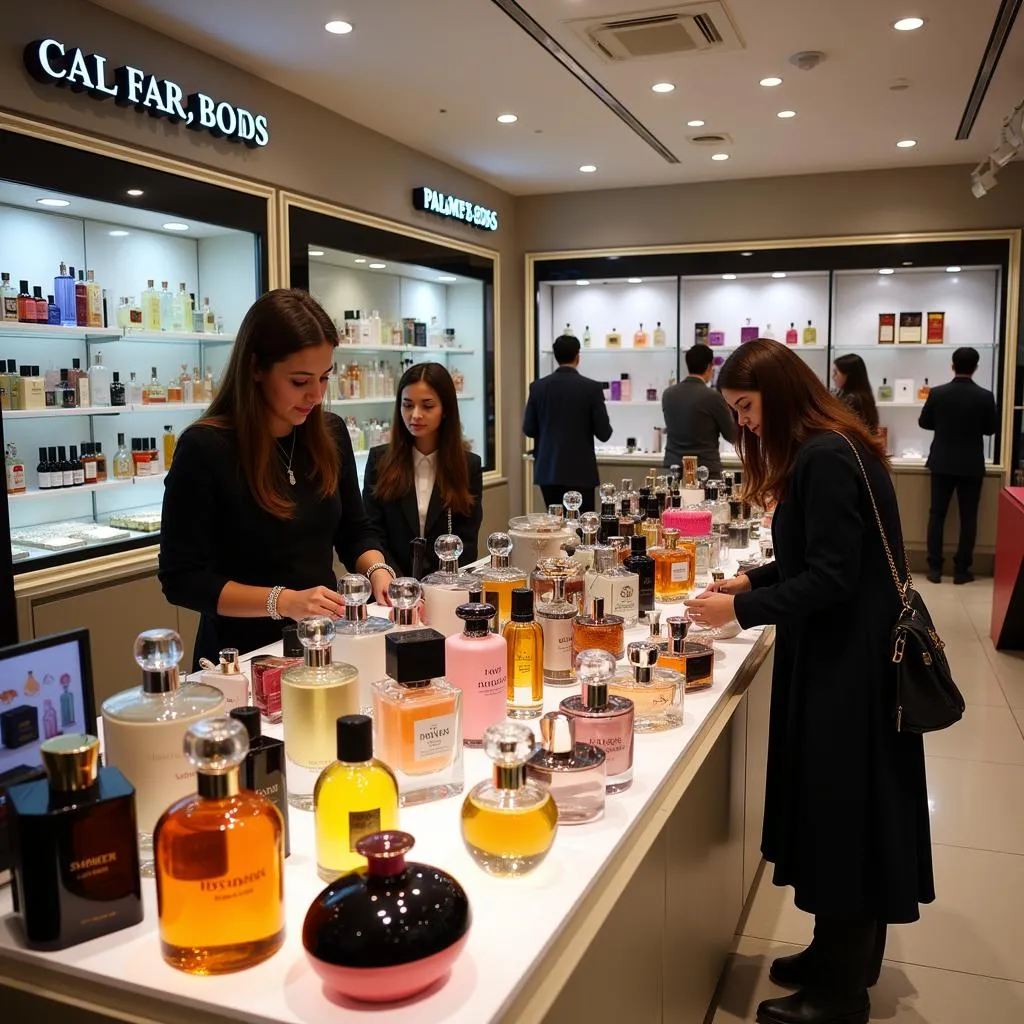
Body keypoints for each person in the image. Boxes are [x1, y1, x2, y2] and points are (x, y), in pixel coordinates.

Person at [684, 339, 933, 1024]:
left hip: (847, 668)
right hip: (846, 656)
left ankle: (840, 991)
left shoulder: (823, 458)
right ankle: (833, 954)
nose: (744, 424)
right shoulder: (836, 443)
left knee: (842, 816)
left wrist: (738, 609)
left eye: (746, 407)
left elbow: (831, 577)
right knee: (838, 811)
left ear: (778, 391)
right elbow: (819, 556)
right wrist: (755, 577)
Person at [159, 289, 393, 668]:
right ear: (255, 368)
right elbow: (182, 580)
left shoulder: (330, 434)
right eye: (300, 382)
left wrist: (378, 571)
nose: (315, 395)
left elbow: (354, 531)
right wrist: (283, 601)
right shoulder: (205, 449)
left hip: (321, 644)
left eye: (324, 378)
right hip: (240, 660)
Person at [362, 362, 483, 578]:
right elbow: (372, 533)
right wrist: (397, 583)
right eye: (407, 405)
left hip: (446, 586)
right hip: (390, 588)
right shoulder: (379, 461)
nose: (415, 415)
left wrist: (437, 587)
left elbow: (467, 542)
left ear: (445, 409)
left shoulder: (468, 466)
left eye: (427, 406)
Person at [918, 346, 997, 584]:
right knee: (968, 517)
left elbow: (924, 422)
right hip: (971, 464)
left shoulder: (938, 393)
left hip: (941, 461)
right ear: (976, 368)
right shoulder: (985, 396)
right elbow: (990, 429)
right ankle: (962, 570)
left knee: (937, 514)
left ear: (952, 366)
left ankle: (934, 569)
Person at [523, 333, 612, 514]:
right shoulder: (591, 388)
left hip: (548, 471)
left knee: (555, 526)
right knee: (582, 528)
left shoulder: (538, 387)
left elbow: (529, 429)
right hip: (581, 472)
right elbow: (604, 433)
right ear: (578, 356)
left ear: (556, 356)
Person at [661, 344, 737, 477]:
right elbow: (732, 435)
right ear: (709, 366)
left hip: (673, 468)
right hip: (704, 471)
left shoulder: (668, 394)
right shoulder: (712, 397)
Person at [831, 353, 879, 433]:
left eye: (836, 373)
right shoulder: (860, 396)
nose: (833, 377)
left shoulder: (853, 399)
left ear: (848, 375)